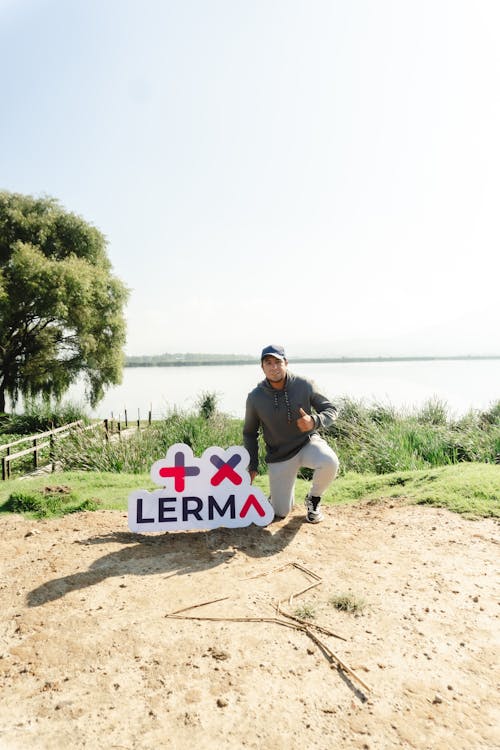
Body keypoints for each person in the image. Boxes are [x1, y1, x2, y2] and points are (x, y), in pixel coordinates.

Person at [243, 344, 339, 523]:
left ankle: (314, 498)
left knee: (329, 462)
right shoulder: (255, 397)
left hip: (307, 443)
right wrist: (253, 466)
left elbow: (331, 410)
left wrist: (314, 421)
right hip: (279, 455)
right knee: (280, 513)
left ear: (286, 363)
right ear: (262, 367)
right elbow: (249, 433)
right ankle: (279, 496)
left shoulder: (304, 384)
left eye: (278, 362)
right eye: (268, 363)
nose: (274, 367)